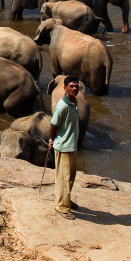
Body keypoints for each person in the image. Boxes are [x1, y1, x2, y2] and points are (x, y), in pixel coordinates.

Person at [49, 75, 81, 218]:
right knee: (63, 177)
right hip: (63, 146)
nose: (74, 88)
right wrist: (52, 139)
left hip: (72, 145)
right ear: (65, 88)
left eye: (76, 86)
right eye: (71, 86)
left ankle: (66, 199)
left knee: (70, 176)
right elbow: (53, 125)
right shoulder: (62, 106)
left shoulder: (74, 102)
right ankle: (62, 206)